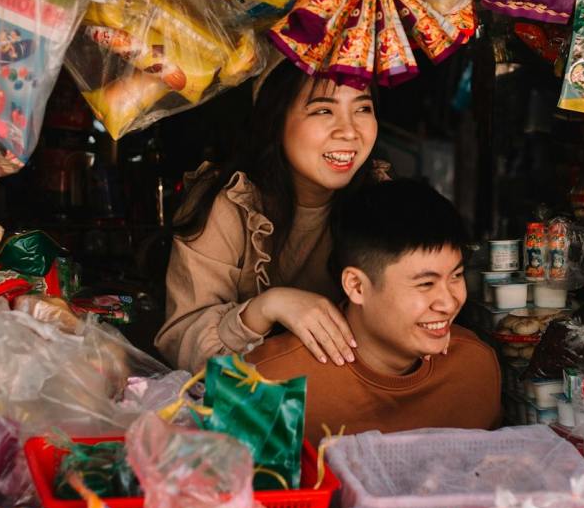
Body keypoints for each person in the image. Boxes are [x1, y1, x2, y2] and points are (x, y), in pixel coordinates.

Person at [158, 60, 382, 372]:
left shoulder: (380, 197)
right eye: (323, 110)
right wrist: (268, 307)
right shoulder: (230, 203)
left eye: (363, 109)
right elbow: (183, 346)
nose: (349, 132)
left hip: (347, 405)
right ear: (275, 121)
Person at [247, 179, 501, 445]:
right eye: (426, 284)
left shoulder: (475, 367)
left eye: (456, 276)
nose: (448, 303)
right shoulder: (269, 381)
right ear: (357, 286)